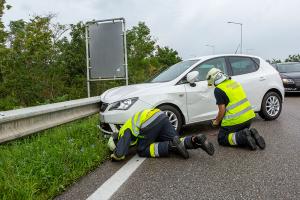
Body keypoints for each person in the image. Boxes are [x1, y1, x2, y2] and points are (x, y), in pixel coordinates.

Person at [107, 108, 215, 161]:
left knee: (142, 150)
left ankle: (172, 146)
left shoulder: (122, 132)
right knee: (177, 140)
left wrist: (114, 155)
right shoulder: (127, 125)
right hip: (161, 116)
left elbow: (120, 153)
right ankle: (196, 140)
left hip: (149, 122)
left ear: (117, 141)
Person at [206, 67, 266, 150]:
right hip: (248, 118)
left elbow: (222, 110)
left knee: (222, 138)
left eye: (212, 83)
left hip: (236, 120)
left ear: (214, 80)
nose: (213, 85)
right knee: (238, 131)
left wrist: (216, 122)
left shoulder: (218, 89)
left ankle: (243, 137)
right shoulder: (234, 83)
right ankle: (251, 134)